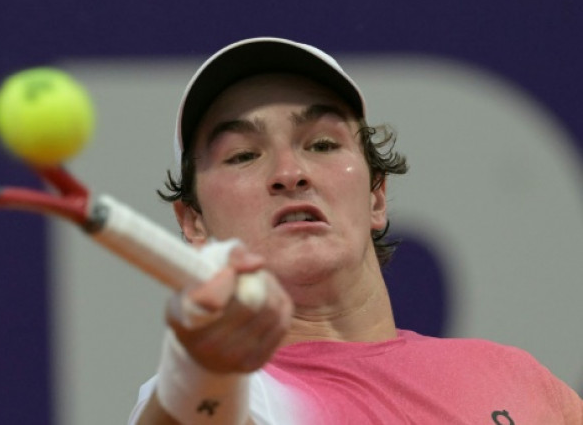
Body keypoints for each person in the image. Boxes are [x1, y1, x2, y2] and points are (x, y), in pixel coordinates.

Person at [127, 37, 583, 424]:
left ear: (376, 197)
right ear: (193, 223)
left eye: (323, 144)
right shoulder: (216, 395)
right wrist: (200, 366)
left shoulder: (519, 380)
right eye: (243, 155)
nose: (290, 172)